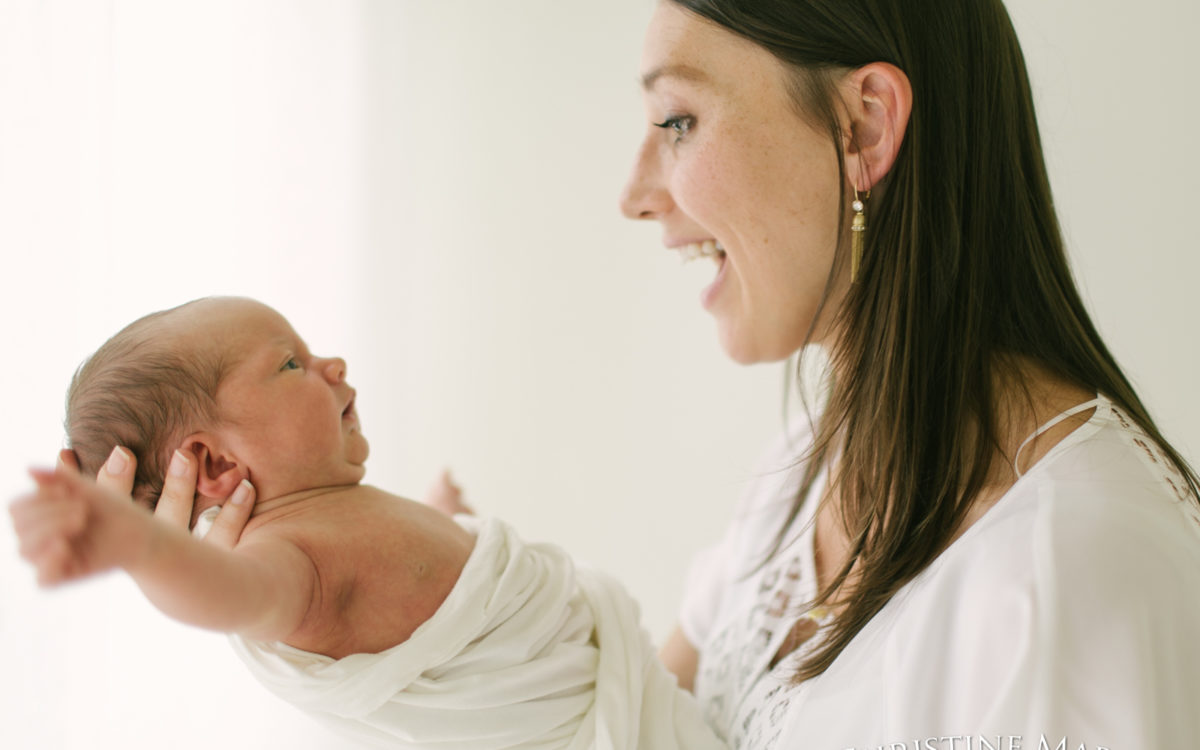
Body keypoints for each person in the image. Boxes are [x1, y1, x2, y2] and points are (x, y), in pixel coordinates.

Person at [615, 1, 1200, 748]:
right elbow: (642, 726)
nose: (634, 195)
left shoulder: (1072, 573)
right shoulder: (795, 484)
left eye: (677, 122)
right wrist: (459, 613)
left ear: (864, 126)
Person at [10, 296, 725, 750]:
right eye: (291, 362)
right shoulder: (287, 560)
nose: (331, 363)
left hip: (622, 690)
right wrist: (143, 548)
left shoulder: (335, 516)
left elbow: (437, 609)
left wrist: (449, 527)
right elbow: (225, 595)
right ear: (214, 461)